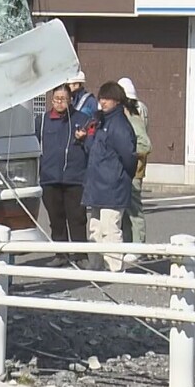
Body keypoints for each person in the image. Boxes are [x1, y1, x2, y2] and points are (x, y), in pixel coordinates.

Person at [77, 81, 137, 272]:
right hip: (97, 184)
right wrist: (86, 137)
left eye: (107, 98)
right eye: (101, 97)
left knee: (110, 228)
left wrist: (122, 176)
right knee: (95, 227)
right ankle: (96, 264)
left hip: (113, 185)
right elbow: (92, 148)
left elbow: (129, 156)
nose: (103, 102)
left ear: (117, 101)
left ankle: (114, 268)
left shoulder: (119, 124)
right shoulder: (100, 121)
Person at [37, 84, 92, 267]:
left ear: (70, 100)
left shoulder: (82, 119)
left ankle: (81, 255)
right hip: (49, 177)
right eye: (56, 99)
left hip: (75, 177)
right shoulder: (42, 121)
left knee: (77, 217)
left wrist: (84, 138)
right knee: (56, 217)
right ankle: (61, 254)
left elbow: (92, 145)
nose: (59, 103)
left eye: (63, 99)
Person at [118, 77, 150, 250]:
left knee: (133, 206)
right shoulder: (141, 107)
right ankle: (131, 243)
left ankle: (138, 244)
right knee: (127, 205)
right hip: (134, 165)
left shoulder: (134, 111)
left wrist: (129, 153)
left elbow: (143, 142)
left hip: (134, 165)